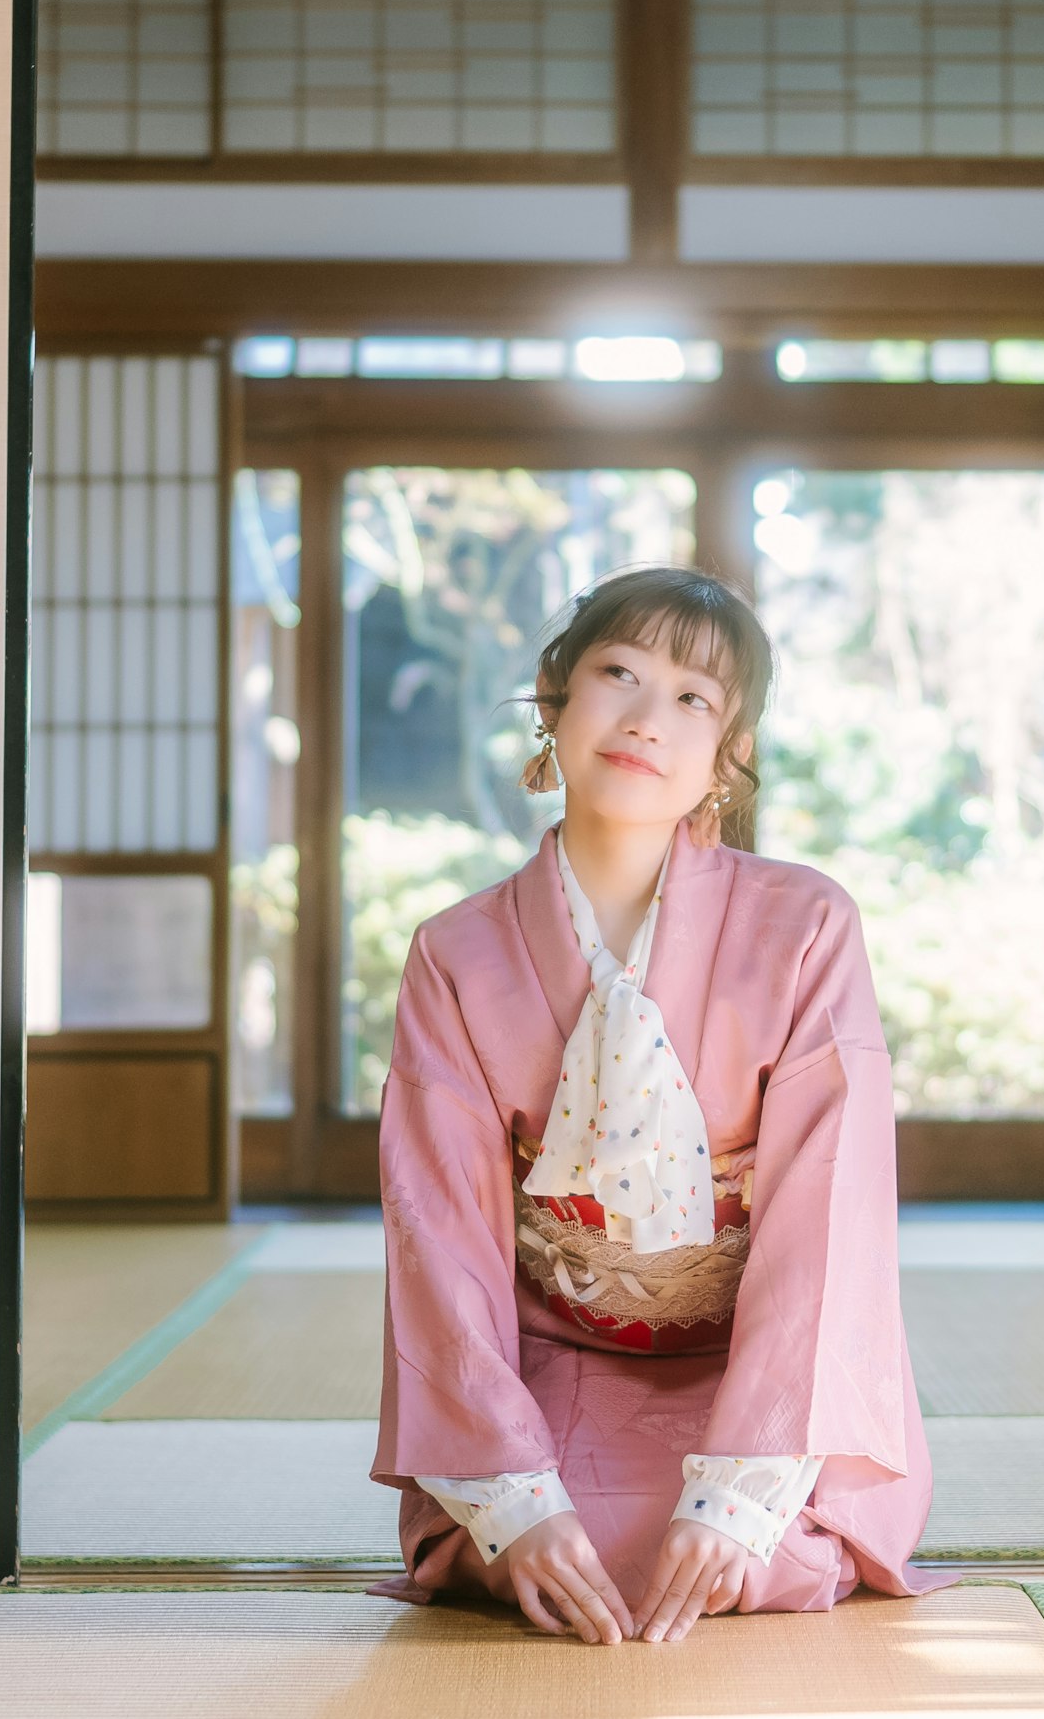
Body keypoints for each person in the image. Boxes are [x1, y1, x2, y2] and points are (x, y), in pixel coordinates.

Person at [370, 564, 938, 1643]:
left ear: (729, 754)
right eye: (618, 673)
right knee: (564, 1542)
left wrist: (737, 1494)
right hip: (552, 1377)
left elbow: (831, 1223)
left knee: (743, 1541)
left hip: (770, 1384)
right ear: (554, 696)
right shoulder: (454, 954)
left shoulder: (808, 924)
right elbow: (438, 1237)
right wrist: (514, 1497)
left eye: (694, 699)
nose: (646, 719)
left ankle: (749, 1503)